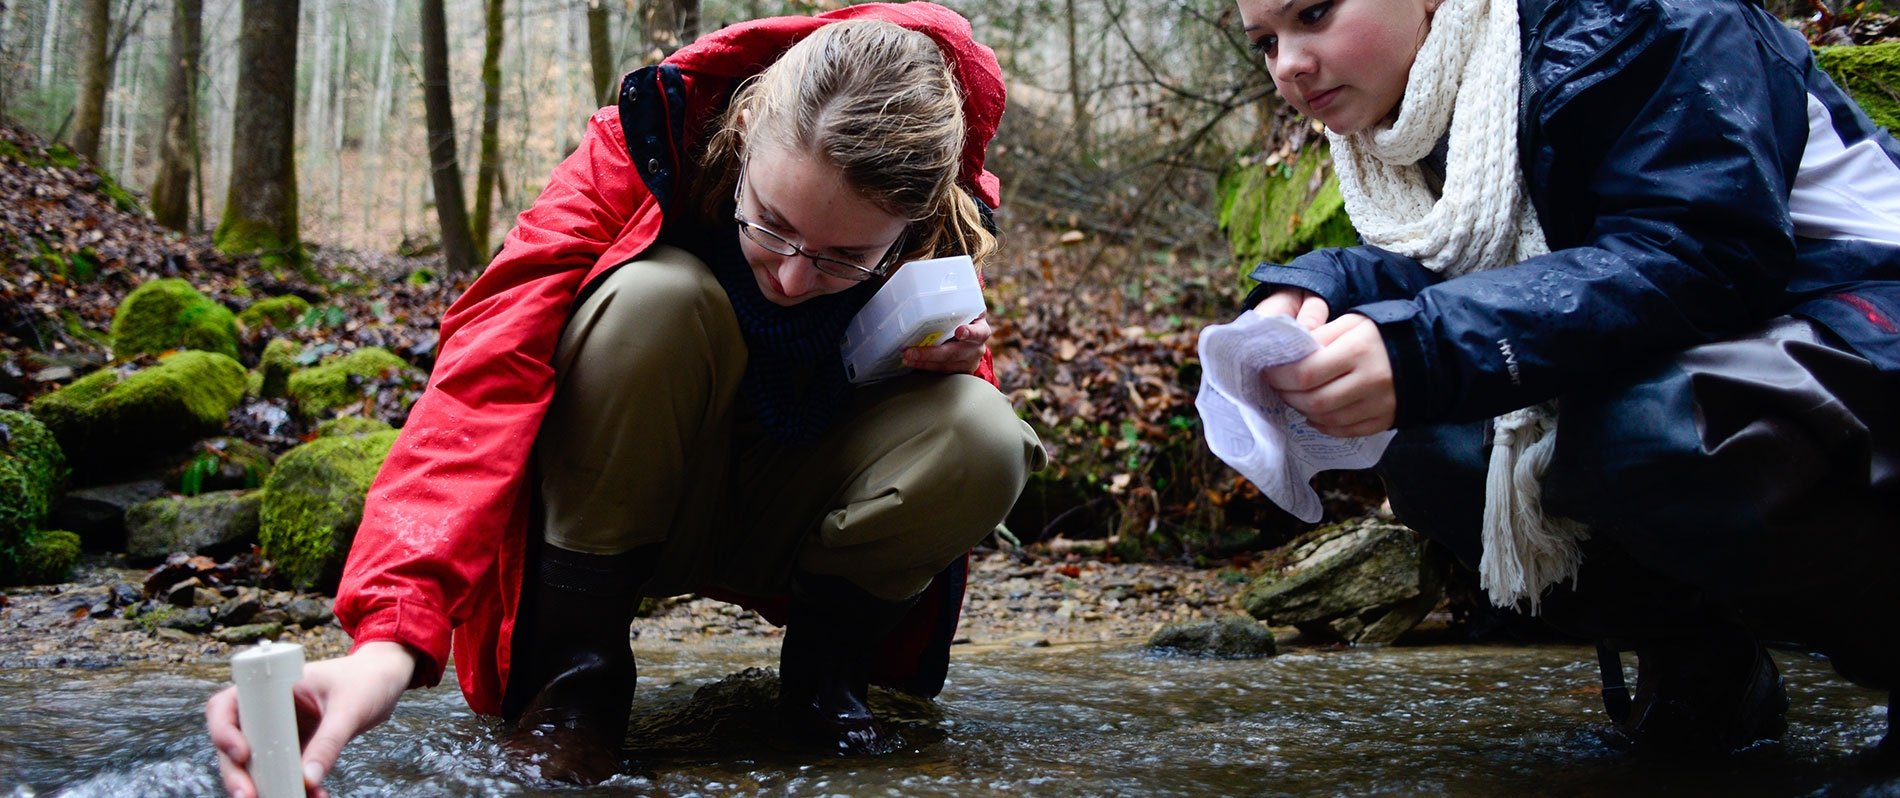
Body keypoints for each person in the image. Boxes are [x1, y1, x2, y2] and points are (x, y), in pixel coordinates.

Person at [205, 5, 1045, 794]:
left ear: (916, 220)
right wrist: (388, 645)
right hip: (626, 497)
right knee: (653, 299)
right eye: (771, 224)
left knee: (983, 433)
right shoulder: (635, 151)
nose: (794, 277)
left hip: (797, 515)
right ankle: (575, 690)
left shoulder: (939, 225)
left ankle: (826, 687)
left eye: (842, 256)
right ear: (745, 130)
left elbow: (940, 466)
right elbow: (482, 377)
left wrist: (925, 366)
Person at [1233, 0, 1898, 755]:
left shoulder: (1653, 17)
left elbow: (1704, 252)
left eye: (1313, 13)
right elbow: (1481, 253)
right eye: (1265, 42)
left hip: (1864, 313)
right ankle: (1701, 663)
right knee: (1429, 444)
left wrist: (1428, 348)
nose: (1287, 63)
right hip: (1736, 339)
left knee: (1647, 431)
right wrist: (1319, 287)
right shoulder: (1424, 106)